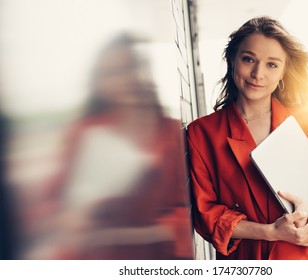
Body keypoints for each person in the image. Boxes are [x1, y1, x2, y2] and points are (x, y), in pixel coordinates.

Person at [187, 16, 308, 260]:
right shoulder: (201, 134)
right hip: (254, 259)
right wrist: (271, 232)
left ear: (284, 71)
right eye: (248, 59)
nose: (258, 73)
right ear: (232, 59)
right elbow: (207, 213)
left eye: (272, 65)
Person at [21, 33, 193, 260]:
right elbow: (50, 202)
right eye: (114, 72)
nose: (126, 79)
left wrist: (151, 231)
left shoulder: (172, 134)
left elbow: (191, 209)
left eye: (131, 66)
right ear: (99, 82)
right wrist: (64, 220)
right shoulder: (84, 133)